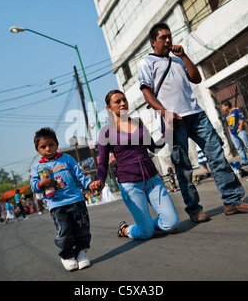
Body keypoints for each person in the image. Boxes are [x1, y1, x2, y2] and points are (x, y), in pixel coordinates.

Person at [138, 22, 248, 222]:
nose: (168, 40)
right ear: (153, 42)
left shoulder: (177, 61)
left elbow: (197, 78)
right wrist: (165, 112)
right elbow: (146, 93)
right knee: (183, 165)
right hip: (172, 120)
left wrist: (184, 56)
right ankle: (194, 210)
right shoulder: (146, 63)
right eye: (163, 37)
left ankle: (232, 201)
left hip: (196, 114)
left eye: (170, 36)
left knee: (217, 155)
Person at [96, 90, 179, 240]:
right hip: (130, 186)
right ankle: (126, 230)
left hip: (152, 180)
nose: (122, 103)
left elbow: (154, 148)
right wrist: (100, 180)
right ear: (109, 108)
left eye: (124, 100)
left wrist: (168, 129)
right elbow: (102, 164)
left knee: (171, 224)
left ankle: (146, 224)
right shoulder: (105, 132)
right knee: (146, 233)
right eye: (117, 101)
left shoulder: (138, 123)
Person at [30, 127, 101, 271]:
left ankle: (81, 253)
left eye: (51, 145)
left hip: (76, 200)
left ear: (57, 144)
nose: (48, 149)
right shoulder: (38, 167)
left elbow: (79, 177)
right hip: (56, 204)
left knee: (82, 228)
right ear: (38, 150)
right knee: (64, 231)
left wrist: (90, 184)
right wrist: (41, 183)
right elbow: (34, 187)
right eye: (43, 147)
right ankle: (67, 255)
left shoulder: (67, 159)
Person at [220, 101, 248, 165]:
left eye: (222, 107)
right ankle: (245, 161)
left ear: (227, 106)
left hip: (240, 131)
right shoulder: (226, 115)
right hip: (233, 133)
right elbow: (227, 125)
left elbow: (241, 119)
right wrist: (230, 132)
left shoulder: (236, 110)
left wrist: (240, 128)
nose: (222, 109)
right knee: (239, 148)